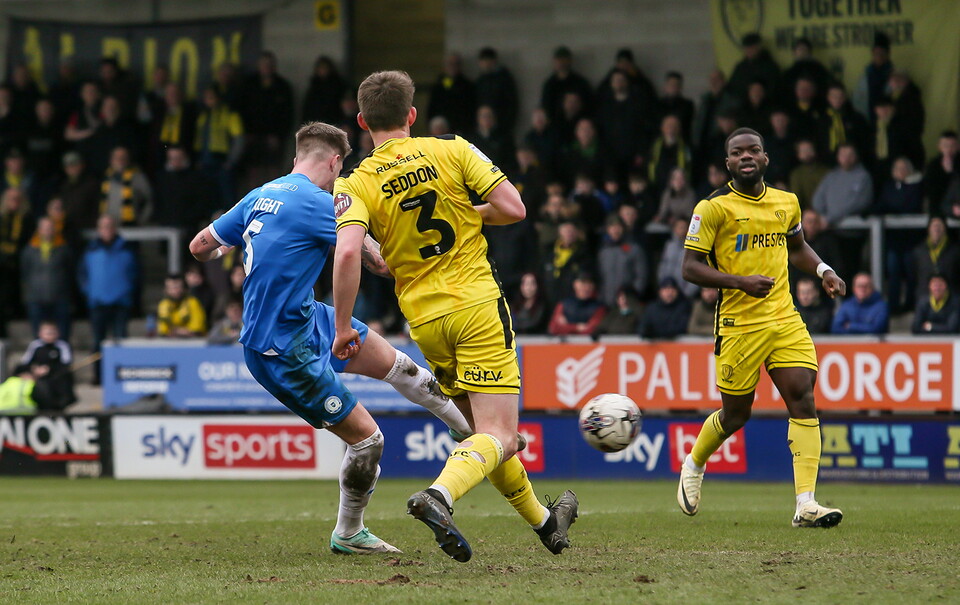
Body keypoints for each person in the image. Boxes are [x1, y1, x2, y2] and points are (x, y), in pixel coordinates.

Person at [189, 120, 475, 556]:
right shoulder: (320, 203)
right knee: (368, 440)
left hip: (307, 318)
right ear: (336, 162)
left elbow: (198, 246)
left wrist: (240, 250)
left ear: (297, 156)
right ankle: (348, 532)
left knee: (400, 365)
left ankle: (466, 431)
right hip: (280, 348)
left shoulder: (259, 195)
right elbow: (376, 262)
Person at [331, 70, 578, 563]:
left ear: (362, 121)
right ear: (412, 115)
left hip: (425, 320)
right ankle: (440, 496)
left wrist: (342, 327)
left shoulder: (354, 182)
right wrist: (470, 212)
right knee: (500, 435)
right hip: (477, 305)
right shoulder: (452, 149)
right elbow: (515, 208)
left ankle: (546, 523)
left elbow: (347, 254)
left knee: (482, 433)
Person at [679, 127, 846, 528]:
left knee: (802, 397)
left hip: (784, 318)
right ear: (728, 163)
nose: (747, 156)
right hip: (738, 324)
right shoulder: (713, 207)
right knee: (736, 415)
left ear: (765, 158)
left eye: (754, 150)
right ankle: (695, 462)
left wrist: (824, 269)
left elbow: (797, 246)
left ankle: (806, 504)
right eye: (738, 152)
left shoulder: (786, 202)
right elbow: (689, 268)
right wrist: (740, 282)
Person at [78, 214, 137, 384]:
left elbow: (134, 276)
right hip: (98, 303)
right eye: (103, 226)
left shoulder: (127, 249)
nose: (107, 230)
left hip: (120, 303)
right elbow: (82, 275)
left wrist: (126, 293)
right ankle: (99, 376)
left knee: (121, 341)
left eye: (110, 226)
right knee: (98, 342)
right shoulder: (90, 250)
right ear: (98, 229)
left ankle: (121, 376)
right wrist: (90, 292)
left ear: (115, 228)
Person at [20, 216, 73, 339]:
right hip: (36, 298)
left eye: (50, 228)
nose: (47, 231)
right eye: (44, 228)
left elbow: (69, 272)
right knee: (38, 336)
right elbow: (25, 274)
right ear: (39, 230)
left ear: (54, 229)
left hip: (60, 297)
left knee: (62, 335)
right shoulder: (29, 250)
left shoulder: (63, 249)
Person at [812, 144, 873, 226]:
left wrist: (830, 218)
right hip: (827, 226)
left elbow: (859, 204)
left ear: (856, 156)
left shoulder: (863, 177)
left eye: (850, 155)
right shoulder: (831, 175)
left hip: (854, 227)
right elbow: (818, 199)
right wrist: (822, 216)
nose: (846, 158)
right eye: (843, 155)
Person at [20, 321, 76, 409]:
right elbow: (24, 364)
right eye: (47, 333)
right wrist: (33, 370)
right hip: (36, 378)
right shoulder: (35, 346)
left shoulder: (62, 346)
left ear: (57, 334)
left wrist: (48, 369)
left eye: (52, 333)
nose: (50, 336)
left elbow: (66, 365)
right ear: (40, 334)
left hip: (55, 378)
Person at [597, 215, 648, 306]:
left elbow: (642, 275)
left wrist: (634, 294)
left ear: (623, 228)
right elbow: (601, 277)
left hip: (628, 301)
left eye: (618, 226)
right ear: (607, 230)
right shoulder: (603, 251)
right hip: (607, 301)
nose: (615, 230)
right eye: (612, 227)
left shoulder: (634, 249)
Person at [157, 274, 207, 338]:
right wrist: (178, 331)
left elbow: (197, 329)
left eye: (177, 287)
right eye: (171, 288)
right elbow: (163, 331)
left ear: (184, 288)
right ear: (166, 290)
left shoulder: (192, 302)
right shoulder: (163, 305)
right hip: (170, 343)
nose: (175, 291)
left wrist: (178, 331)